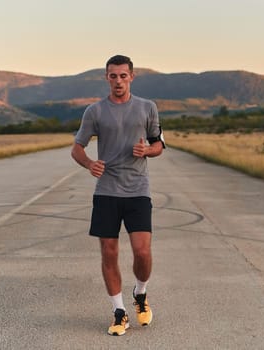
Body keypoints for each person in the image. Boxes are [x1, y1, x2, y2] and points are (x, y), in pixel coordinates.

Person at [71, 54, 165, 336]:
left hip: (137, 190)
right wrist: (90, 163)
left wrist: (147, 151)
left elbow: (158, 144)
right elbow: (77, 148)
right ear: (107, 78)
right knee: (109, 252)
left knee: (142, 251)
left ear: (132, 77)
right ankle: (119, 311)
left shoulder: (148, 108)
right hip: (107, 192)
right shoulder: (94, 112)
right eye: (113, 76)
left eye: (123, 75)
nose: (118, 81)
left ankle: (140, 292)